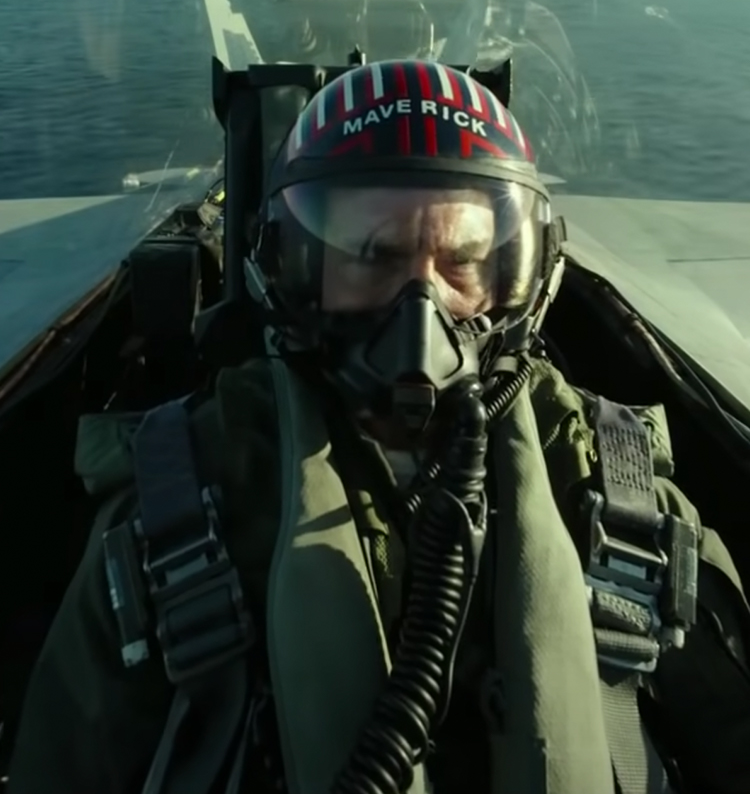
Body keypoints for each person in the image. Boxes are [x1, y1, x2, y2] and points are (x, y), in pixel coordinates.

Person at [7, 60, 750, 794]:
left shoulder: (623, 509)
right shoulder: (173, 522)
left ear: (521, 276)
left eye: (463, 260)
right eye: (373, 256)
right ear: (293, 270)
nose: (421, 312)